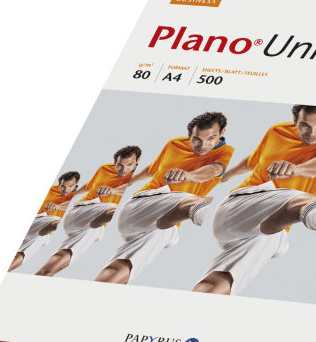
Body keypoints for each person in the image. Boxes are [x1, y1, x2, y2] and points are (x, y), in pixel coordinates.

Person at [193, 105, 316, 295]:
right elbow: (253, 160)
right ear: (295, 119)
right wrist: (225, 176)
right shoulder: (277, 131)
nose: (312, 133)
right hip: (238, 208)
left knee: (222, 280)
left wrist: (297, 169)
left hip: (270, 229)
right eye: (304, 125)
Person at [95, 112, 233, 284]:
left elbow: (214, 170)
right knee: (193, 204)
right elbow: (151, 170)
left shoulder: (226, 153)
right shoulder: (174, 144)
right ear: (189, 134)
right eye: (197, 139)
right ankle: (196, 210)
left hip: (157, 224)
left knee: (122, 266)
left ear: (222, 132)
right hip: (141, 204)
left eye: (211, 138)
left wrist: (188, 175)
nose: (202, 145)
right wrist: (124, 185)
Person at [35, 146, 141, 277]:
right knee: (111, 213)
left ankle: (41, 272)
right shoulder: (104, 169)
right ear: (115, 162)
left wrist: (113, 190)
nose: (124, 169)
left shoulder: (133, 177)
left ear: (137, 162)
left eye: (129, 165)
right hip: (85, 209)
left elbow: (130, 183)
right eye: (120, 165)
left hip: (83, 219)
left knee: (58, 258)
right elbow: (89, 186)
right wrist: (70, 196)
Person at [8, 171, 81, 271]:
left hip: (45, 225)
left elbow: (68, 203)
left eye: (70, 186)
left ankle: (48, 228)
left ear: (76, 184)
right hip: (37, 219)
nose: (66, 190)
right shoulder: (51, 189)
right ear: (59, 184)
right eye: (63, 186)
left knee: (22, 252)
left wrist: (57, 207)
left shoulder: (75, 194)